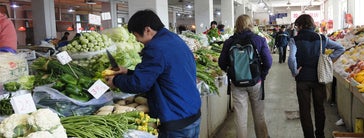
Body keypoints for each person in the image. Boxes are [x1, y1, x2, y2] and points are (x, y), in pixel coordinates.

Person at [105, 9, 201, 138]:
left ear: (147, 30)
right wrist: (127, 71)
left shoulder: (156, 47)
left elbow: (140, 84)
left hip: (175, 118)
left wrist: (116, 81)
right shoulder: (173, 38)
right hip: (191, 112)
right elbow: (162, 73)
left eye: (136, 36)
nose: (138, 41)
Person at [218, 14, 272, 138]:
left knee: (240, 116)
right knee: (258, 114)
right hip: (255, 82)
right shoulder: (258, 39)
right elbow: (268, 62)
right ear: (250, 24)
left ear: (237, 25)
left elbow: (221, 63)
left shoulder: (229, 41)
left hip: (237, 84)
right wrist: (261, 75)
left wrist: (232, 72)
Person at [293, 14, 345, 138]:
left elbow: (290, 59)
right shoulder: (321, 38)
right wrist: (329, 60)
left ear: (300, 26)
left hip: (302, 79)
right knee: (319, 107)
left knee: (304, 110)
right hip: (319, 77)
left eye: (297, 26)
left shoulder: (295, 39)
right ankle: (320, 134)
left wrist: (294, 71)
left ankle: (309, 136)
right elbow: (340, 48)